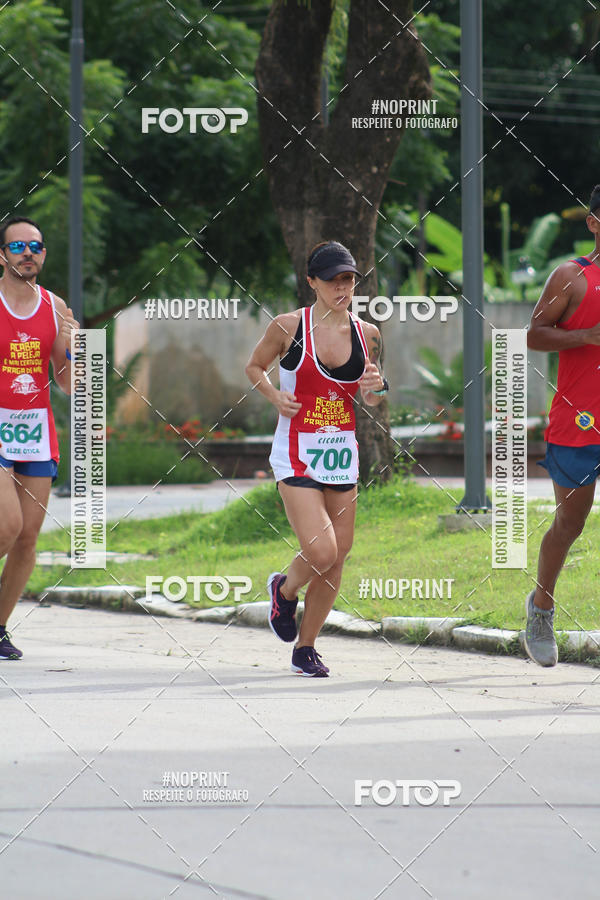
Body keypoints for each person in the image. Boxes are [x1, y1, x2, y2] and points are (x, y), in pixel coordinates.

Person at [245, 240, 388, 677]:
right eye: (333, 280)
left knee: (339, 554)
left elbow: (377, 398)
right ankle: (284, 591)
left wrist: (377, 388)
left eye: (348, 279)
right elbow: (254, 367)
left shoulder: (368, 334)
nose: (342, 288)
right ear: (312, 282)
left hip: (342, 453)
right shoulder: (289, 327)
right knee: (321, 549)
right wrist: (274, 396)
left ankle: (305, 648)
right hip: (296, 453)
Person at [526, 184, 600, 667]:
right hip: (580, 419)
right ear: (594, 222)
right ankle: (540, 607)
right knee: (570, 522)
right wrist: (587, 335)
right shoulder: (572, 276)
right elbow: (533, 333)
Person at [0, 217, 78, 659]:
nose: (28, 252)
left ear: (43, 255)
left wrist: (71, 345)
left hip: (34, 429)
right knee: (6, 526)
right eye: (17, 247)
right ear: (2, 256)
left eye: (35, 246)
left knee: (28, 536)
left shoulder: (55, 307)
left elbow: (68, 382)